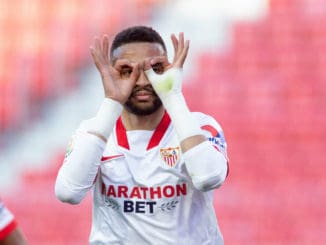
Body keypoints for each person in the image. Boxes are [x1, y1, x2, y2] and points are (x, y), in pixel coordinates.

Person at [55, 25, 229, 245]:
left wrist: (172, 95)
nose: (143, 82)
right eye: (128, 71)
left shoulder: (198, 126)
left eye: (155, 69)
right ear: (111, 72)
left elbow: (209, 177)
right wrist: (112, 102)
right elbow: (68, 192)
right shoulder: (93, 131)